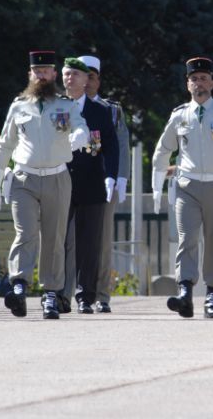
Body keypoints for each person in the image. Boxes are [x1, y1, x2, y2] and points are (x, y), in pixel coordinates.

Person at [0, 51, 88, 319]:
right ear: (30, 74)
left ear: (54, 75)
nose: (42, 75)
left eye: (46, 71)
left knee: (54, 238)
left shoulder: (66, 106)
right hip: (24, 178)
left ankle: (50, 294)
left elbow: (81, 126)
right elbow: (6, 143)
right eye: (37, 71)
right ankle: (19, 286)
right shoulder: (19, 106)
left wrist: (79, 136)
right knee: (26, 233)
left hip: (57, 177)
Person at [152, 56, 213, 318]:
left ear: (212, 83)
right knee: (187, 238)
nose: (199, 83)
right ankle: (185, 291)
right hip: (188, 185)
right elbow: (163, 149)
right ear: (188, 84)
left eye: (204, 78)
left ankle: (212, 295)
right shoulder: (180, 115)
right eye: (194, 79)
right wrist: (156, 182)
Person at [61, 57, 118, 314]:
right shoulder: (55, 107)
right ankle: (59, 292)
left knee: (89, 243)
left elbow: (112, 147)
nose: (69, 79)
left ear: (86, 80)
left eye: (75, 74)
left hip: (92, 182)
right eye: (66, 74)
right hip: (60, 181)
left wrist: (112, 176)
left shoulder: (101, 112)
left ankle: (85, 295)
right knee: (58, 240)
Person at [83, 55, 130, 313]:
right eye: (82, 76)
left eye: (92, 76)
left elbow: (121, 144)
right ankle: (67, 292)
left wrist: (121, 177)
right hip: (72, 180)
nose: (87, 82)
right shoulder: (64, 108)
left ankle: (101, 295)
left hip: (103, 183)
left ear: (98, 80)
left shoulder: (111, 110)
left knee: (101, 241)